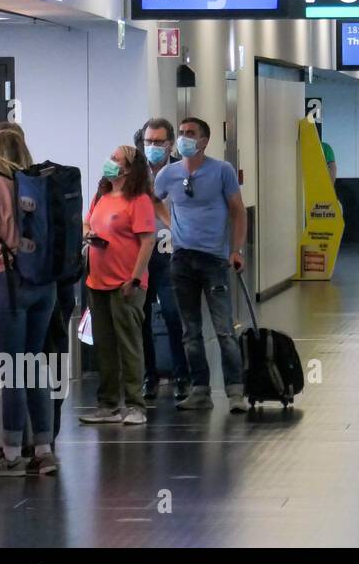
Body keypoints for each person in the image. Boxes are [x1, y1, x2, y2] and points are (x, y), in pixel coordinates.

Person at [0, 117, 58, 476]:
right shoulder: (20, 175)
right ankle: (44, 451)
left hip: (10, 284)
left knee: (11, 370)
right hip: (43, 283)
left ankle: (9, 456)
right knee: (33, 364)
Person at [153, 117, 249, 413]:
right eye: (181, 134)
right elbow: (154, 200)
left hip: (215, 260)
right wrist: (171, 224)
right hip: (181, 259)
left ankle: (235, 392)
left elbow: (238, 211)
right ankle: (200, 390)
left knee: (223, 329)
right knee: (190, 331)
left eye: (190, 134)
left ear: (205, 141)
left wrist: (235, 250)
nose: (184, 138)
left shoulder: (221, 171)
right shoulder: (167, 175)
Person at [78, 145, 155, 426]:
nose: (110, 163)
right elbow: (87, 223)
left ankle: (136, 404)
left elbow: (148, 241)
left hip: (126, 283)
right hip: (97, 281)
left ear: (128, 168)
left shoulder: (139, 200)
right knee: (105, 346)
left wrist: (135, 278)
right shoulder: (102, 195)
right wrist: (90, 234)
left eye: (116, 159)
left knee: (129, 345)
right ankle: (108, 404)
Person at [140, 118, 189, 401]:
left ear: (170, 143)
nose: (153, 147)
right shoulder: (136, 173)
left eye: (159, 142)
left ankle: (182, 375)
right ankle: (150, 376)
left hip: (170, 254)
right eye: (148, 142)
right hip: (142, 256)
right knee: (142, 318)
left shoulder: (180, 172)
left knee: (173, 315)